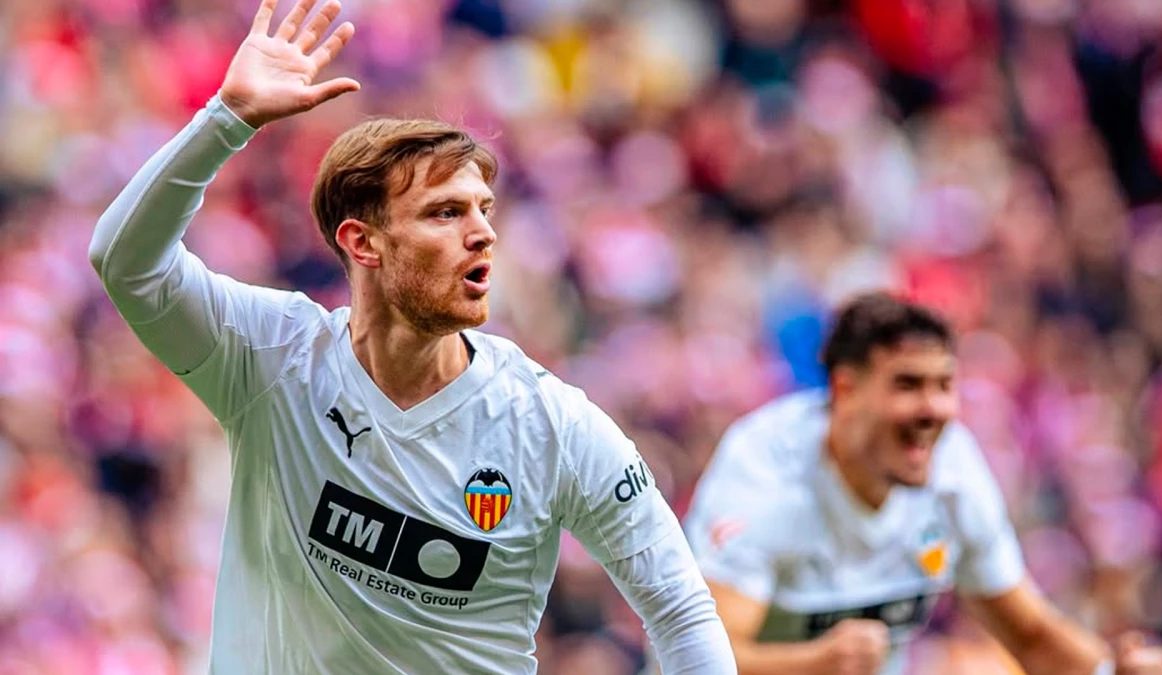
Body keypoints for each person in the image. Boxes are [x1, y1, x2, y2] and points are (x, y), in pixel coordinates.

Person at [87, 0, 737, 672]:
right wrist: (226, 120)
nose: (482, 232)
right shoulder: (272, 359)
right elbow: (126, 264)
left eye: (484, 210)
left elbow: (681, 608)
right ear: (361, 242)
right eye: (445, 212)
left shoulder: (552, 425)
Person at [684, 292, 1162, 675]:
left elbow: (1030, 635)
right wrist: (813, 664)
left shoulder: (954, 470)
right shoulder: (764, 476)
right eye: (907, 385)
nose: (934, 411)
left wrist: (1111, 671)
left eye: (944, 386)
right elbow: (693, 660)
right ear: (844, 390)